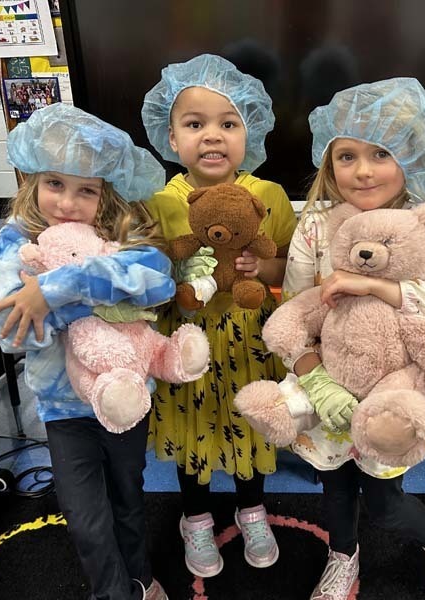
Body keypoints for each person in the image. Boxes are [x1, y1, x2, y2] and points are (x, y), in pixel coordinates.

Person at [282, 79, 425, 600]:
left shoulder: (423, 227)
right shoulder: (316, 226)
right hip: (331, 381)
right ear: (329, 165)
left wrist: (374, 284)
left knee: (385, 500)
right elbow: (294, 309)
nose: (363, 169)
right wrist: (315, 378)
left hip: (395, 391)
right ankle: (343, 556)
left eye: (381, 153)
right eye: (346, 155)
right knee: (333, 488)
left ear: (412, 159)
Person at [0, 103, 173, 600]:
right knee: (87, 520)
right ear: (31, 182)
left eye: (86, 190)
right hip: (64, 409)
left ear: (105, 194)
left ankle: (141, 577)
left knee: (130, 499)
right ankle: (113, 593)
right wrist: (95, 302)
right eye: (54, 184)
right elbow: (9, 332)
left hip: (128, 399)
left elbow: (156, 281)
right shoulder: (14, 242)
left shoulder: (118, 234)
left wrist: (55, 290)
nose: (67, 203)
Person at [141, 54, 297, 577]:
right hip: (189, 337)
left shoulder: (268, 195)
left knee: (253, 419)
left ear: (248, 133)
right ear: (170, 137)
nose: (212, 136)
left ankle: (252, 510)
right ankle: (196, 518)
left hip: (252, 335)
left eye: (228, 124)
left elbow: (289, 261)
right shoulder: (161, 201)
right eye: (195, 124)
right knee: (193, 425)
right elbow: (150, 268)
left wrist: (264, 262)